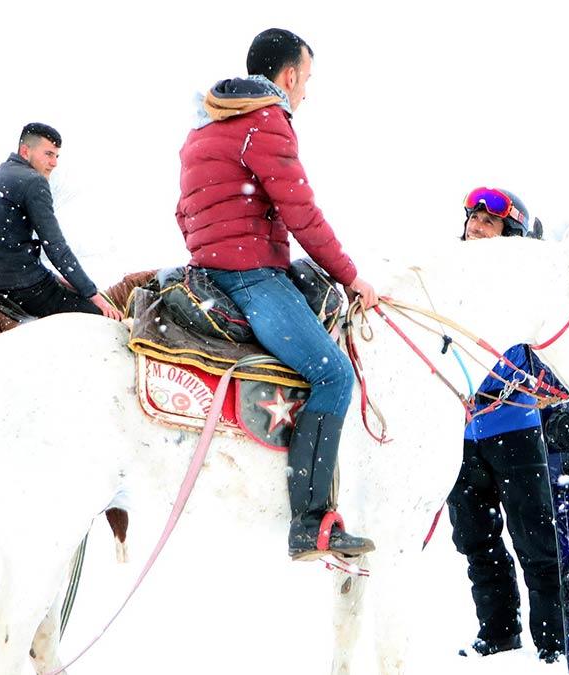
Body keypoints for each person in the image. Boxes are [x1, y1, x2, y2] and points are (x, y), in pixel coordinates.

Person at [175, 28, 377, 560]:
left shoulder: (204, 128)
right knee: (334, 373)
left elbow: (185, 212)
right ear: (288, 76)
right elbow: (301, 213)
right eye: (306, 79)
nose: (306, 92)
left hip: (208, 273)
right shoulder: (267, 120)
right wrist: (352, 276)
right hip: (252, 278)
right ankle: (311, 522)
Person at [448, 186, 565, 663]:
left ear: (511, 233)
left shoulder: (528, 288)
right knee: (477, 541)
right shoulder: (446, 277)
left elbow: (552, 355)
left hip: (515, 431)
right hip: (461, 437)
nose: (476, 226)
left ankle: (553, 644)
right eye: (473, 219)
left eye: (489, 221)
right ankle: (497, 635)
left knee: (536, 541)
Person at [0, 123, 122, 320]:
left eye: (57, 156)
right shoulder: (33, 181)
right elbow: (55, 245)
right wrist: (93, 295)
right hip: (26, 289)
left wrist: (55, 278)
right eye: (48, 154)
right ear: (25, 151)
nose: (54, 162)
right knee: (101, 320)